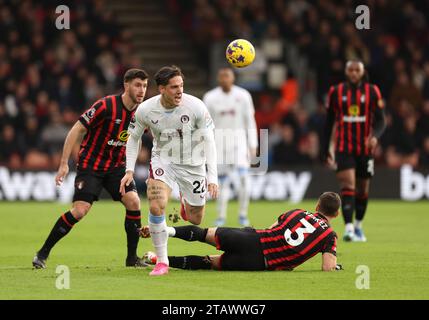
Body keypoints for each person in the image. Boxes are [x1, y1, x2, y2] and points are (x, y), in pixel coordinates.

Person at [32, 69, 149, 269]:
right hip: (91, 166)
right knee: (79, 211)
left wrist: (131, 165)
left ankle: (132, 259)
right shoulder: (105, 105)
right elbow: (76, 129)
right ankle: (42, 253)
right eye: (138, 85)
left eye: (145, 86)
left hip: (117, 168)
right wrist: (63, 164)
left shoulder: (142, 113)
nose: (142, 90)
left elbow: (135, 139)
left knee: (133, 201)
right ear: (126, 85)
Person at [120, 65, 218, 276]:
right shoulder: (146, 109)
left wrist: (212, 177)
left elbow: (210, 140)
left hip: (193, 164)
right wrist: (129, 170)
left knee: (195, 219)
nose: (180, 91)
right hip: (163, 161)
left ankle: (184, 202)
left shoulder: (196, 106)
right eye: (174, 87)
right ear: (161, 89)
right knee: (157, 207)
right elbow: (133, 138)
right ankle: (161, 262)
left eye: (181, 85)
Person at [141, 192, 342, 272]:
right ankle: (154, 259)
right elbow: (327, 267)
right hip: (259, 262)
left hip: (250, 239)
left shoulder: (297, 212)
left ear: (317, 205)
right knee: (209, 262)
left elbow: (272, 228)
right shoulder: (329, 236)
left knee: (203, 233)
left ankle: (163, 230)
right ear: (337, 214)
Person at [322, 60, 386, 242]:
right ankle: (349, 228)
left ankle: (358, 225)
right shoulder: (336, 92)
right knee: (347, 184)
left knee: (362, 188)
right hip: (344, 147)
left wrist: (375, 136)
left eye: (357, 70)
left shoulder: (373, 91)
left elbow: (381, 121)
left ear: (362, 71)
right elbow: (328, 123)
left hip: (365, 148)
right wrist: (326, 147)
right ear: (345, 71)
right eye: (350, 69)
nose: (353, 73)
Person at [203, 67, 258, 227]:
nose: (224, 79)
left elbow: (250, 121)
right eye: (222, 76)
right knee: (222, 182)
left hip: (239, 143)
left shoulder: (243, 95)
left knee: (244, 178)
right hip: (219, 143)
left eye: (227, 76)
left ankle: (243, 214)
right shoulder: (210, 97)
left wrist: (253, 144)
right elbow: (206, 124)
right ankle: (221, 216)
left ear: (233, 78)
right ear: (218, 79)